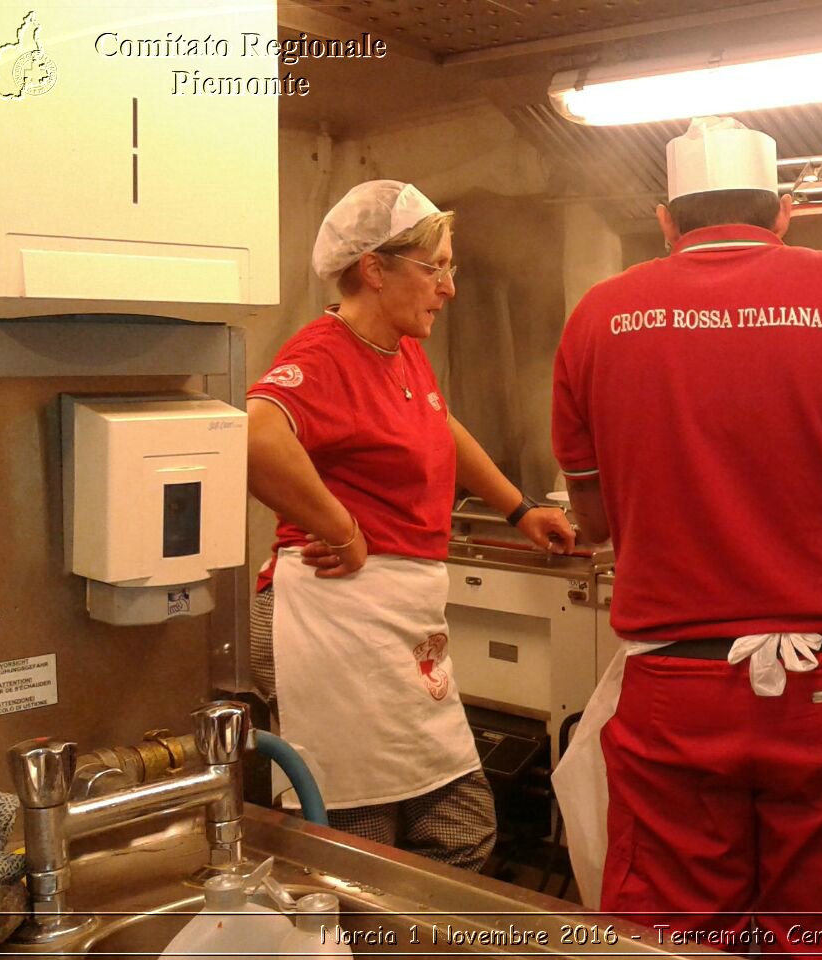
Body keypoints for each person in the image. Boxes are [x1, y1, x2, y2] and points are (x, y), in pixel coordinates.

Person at [551, 118, 822, 953]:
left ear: (665, 220)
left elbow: (598, 519)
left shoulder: (599, 314)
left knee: (675, 938)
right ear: (784, 212)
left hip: (676, 696)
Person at [246, 179, 575, 870]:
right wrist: (341, 527)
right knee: (361, 848)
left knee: (460, 826)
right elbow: (253, 437)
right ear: (374, 268)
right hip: (335, 621)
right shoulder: (324, 352)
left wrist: (519, 509)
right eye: (437, 268)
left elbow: (438, 423)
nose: (449, 288)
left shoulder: (400, 349)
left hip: (400, 624)